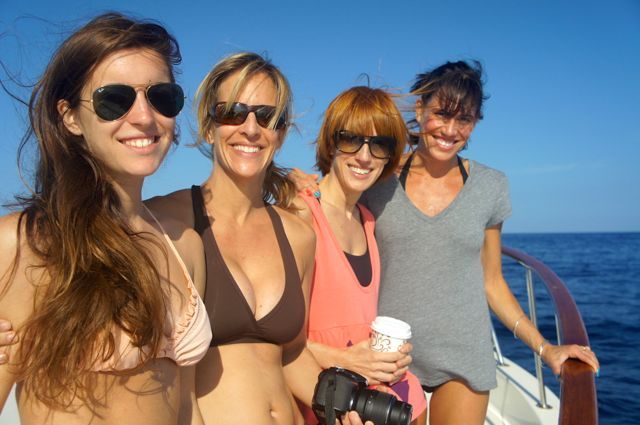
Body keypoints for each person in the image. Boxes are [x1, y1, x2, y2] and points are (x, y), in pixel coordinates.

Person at [292, 61, 600, 425]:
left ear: (475, 123)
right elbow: (336, 187)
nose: (450, 130)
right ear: (421, 110)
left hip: (463, 356)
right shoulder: (380, 174)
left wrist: (546, 349)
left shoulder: (490, 187)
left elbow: (492, 280)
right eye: (442, 114)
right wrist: (292, 181)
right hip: (389, 359)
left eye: (464, 120)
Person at [0, 13, 211, 425]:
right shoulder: (27, 245)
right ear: (71, 117)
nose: (145, 117)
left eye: (162, 97)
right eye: (114, 100)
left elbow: (188, 404)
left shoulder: (186, 244)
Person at [290, 86, 427, 425]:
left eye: (379, 144)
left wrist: (387, 360)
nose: (365, 157)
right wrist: (347, 359)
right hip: (319, 392)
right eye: (351, 139)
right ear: (331, 143)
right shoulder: (300, 214)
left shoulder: (367, 221)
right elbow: (275, 340)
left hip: (365, 387)